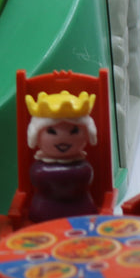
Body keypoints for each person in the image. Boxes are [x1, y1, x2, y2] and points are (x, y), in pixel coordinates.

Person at [26, 90, 98, 223]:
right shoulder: (40, 168)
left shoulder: (83, 168)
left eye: (74, 131)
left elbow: (85, 178)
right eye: (51, 131)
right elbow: (37, 178)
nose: (63, 139)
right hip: (44, 212)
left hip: (81, 211)